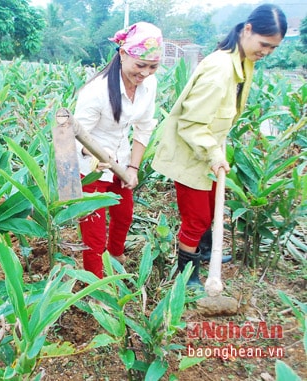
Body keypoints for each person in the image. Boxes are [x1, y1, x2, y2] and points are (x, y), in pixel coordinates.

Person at [152, 4, 287, 287]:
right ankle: (187, 276)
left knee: (212, 206)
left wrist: (217, 147)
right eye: (264, 44)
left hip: (208, 151)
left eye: (273, 48)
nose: (266, 52)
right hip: (191, 154)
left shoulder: (243, 61)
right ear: (247, 30)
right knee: (197, 217)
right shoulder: (220, 69)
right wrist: (214, 152)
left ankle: (204, 254)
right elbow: (191, 123)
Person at [74, 22, 163, 279]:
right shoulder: (96, 91)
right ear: (123, 54)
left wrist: (133, 168)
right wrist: (95, 156)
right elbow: (77, 137)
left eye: (152, 66)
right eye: (140, 65)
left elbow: (144, 127)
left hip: (121, 161)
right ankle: (96, 283)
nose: (145, 72)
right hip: (90, 170)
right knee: (94, 233)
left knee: (124, 216)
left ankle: (115, 256)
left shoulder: (149, 85)